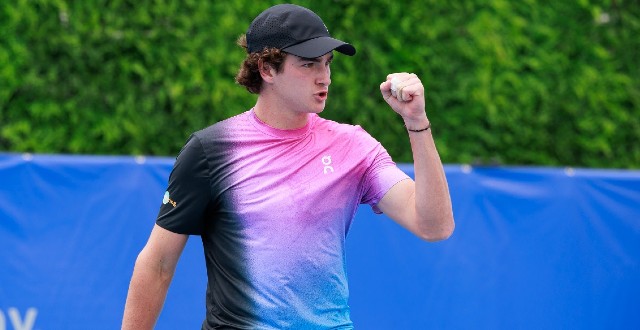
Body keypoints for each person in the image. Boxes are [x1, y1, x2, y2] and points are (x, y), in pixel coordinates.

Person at [122, 3, 454, 329]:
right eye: (309, 64)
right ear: (267, 69)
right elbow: (159, 263)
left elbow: (433, 226)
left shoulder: (353, 145)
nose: (324, 77)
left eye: (328, 63)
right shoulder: (211, 150)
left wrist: (417, 122)